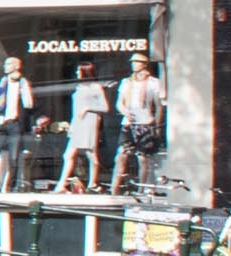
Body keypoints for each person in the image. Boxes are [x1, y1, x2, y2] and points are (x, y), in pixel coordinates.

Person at [115, 57, 168, 193]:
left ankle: (141, 189)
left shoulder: (153, 83)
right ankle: (114, 188)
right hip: (129, 123)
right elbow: (119, 103)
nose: (134, 64)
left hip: (145, 123)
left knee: (143, 159)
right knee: (121, 156)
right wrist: (125, 111)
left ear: (144, 64)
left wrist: (156, 125)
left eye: (137, 62)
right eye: (132, 62)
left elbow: (159, 106)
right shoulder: (127, 82)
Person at [55, 63, 109, 192]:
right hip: (78, 123)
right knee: (68, 155)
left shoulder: (96, 88)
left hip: (89, 123)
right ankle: (61, 184)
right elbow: (75, 109)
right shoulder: (79, 87)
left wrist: (88, 108)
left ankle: (93, 183)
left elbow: (105, 107)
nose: (76, 73)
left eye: (79, 71)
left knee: (91, 154)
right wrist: (73, 125)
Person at [0, 59, 36, 190]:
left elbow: (29, 105)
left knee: (13, 158)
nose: (5, 66)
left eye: (8, 64)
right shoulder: (1, 82)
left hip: (15, 124)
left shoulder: (23, 83)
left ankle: (10, 186)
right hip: (0, 124)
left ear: (16, 66)